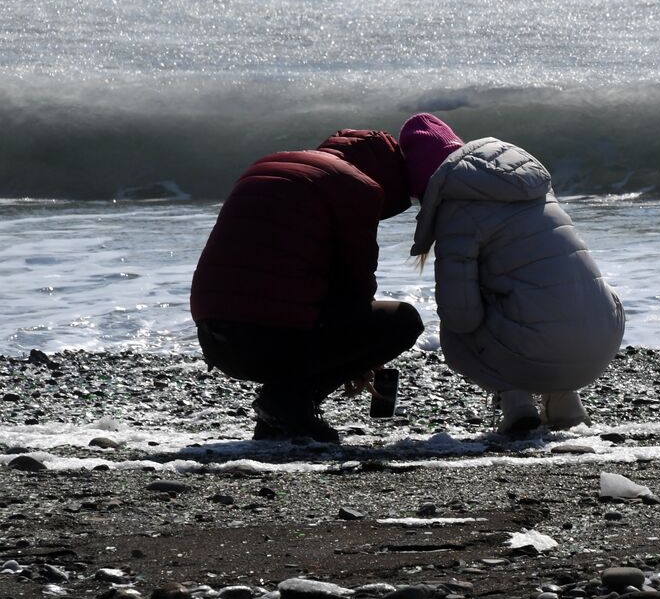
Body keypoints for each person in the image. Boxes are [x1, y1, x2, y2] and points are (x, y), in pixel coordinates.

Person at [189, 129, 424, 443]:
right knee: (402, 322)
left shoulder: (267, 166)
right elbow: (355, 288)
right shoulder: (357, 187)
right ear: (389, 173)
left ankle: (279, 416)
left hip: (214, 339)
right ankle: (288, 403)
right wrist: (362, 357)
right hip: (267, 342)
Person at [398, 113, 625, 434]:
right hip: (605, 336)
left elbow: (460, 315)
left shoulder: (456, 210)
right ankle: (564, 402)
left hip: (539, 348)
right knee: (545, 293)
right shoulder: (532, 186)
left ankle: (517, 405)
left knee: (458, 326)